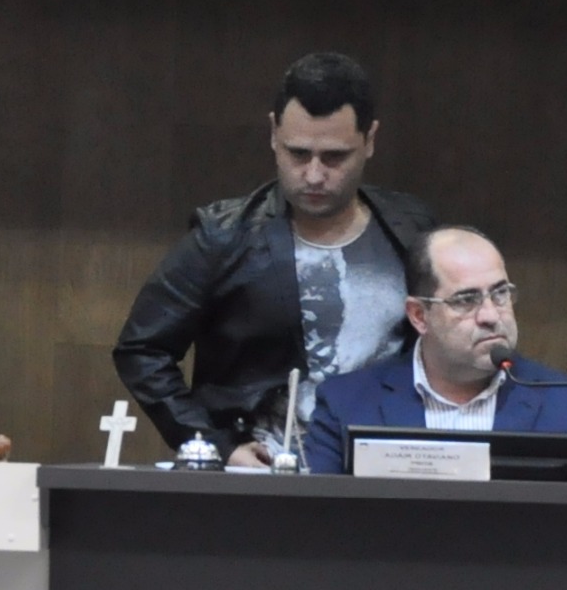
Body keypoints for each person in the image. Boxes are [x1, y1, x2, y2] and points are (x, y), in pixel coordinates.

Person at [114, 51, 432, 466]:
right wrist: (216, 445)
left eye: (334, 157)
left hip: (384, 463)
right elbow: (141, 349)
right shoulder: (224, 236)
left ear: (370, 140)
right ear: (272, 133)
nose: (314, 175)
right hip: (260, 465)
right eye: (297, 153)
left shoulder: (412, 231)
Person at [299, 225, 567, 479]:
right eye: (466, 300)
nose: (490, 315)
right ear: (419, 316)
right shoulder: (346, 404)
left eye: (500, 293)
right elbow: (321, 520)